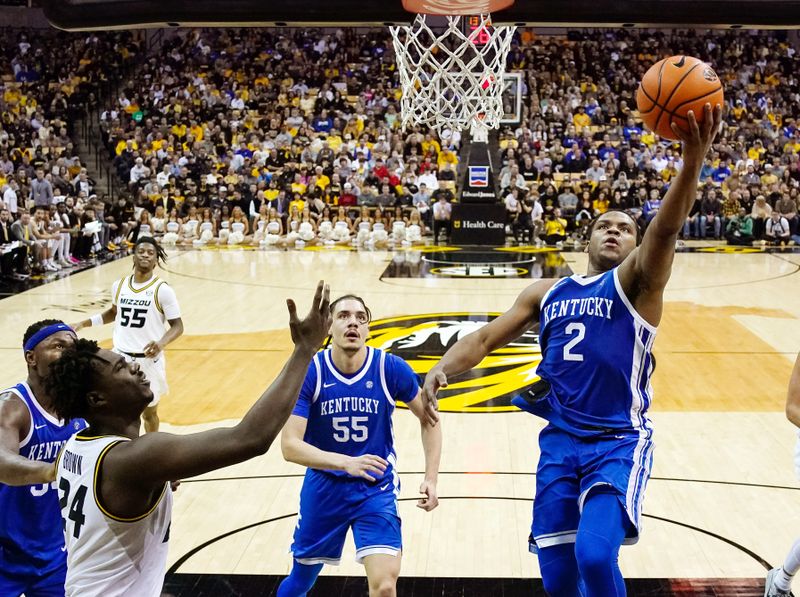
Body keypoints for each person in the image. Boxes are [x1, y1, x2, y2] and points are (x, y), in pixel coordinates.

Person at [421, 105, 721, 597]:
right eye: (605, 225)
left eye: (625, 228)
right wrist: (439, 370)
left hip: (618, 440)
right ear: (587, 238)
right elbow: (481, 340)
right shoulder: (548, 292)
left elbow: (664, 231)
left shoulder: (638, 286)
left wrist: (691, 160)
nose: (613, 231)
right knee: (559, 577)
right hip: (560, 439)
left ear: (636, 244)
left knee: (595, 555)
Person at [49, 282, 332, 597]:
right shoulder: (135, 459)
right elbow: (250, 438)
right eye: (121, 368)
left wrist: (155, 478)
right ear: (97, 399)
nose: (135, 366)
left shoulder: (77, 446)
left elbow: (114, 502)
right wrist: (305, 349)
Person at [278, 295, 441, 597]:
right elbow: (290, 446)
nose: (352, 322)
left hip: (375, 488)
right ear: (329, 326)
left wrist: (431, 477)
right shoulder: (310, 371)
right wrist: (345, 462)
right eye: (343, 316)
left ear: (368, 328)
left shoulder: (390, 368)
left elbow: (430, 420)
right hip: (325, 487)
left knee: (385, 586)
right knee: (301, 580)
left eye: (360, 317)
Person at [0, 320, 86, 596]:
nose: (69, 353)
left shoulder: (81, 407)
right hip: (5, 553)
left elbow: (120, 447)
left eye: (73, 346)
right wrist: (53, 470)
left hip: (55, 553)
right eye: (58, 346)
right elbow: (2, 463)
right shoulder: (12, 408)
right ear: (31, 357)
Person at [71, 237, 183, 432]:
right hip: (120, 359)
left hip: (148, 361)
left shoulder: (162, 290)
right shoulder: (120, 285)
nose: (146, 255)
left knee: (149, 414)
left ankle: (149, 450)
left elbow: (177, 326)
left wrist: (161, 343)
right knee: (117, 410)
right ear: (134, 256)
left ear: (156, 259)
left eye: (151, 252)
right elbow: (113, 313)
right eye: (142, 251)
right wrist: (83, 323)